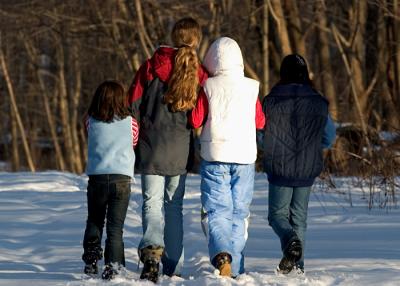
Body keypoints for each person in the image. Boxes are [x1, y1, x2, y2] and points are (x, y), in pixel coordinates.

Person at [128, 17, 208, 283]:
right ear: (196, 40)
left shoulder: (150, 68)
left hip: (151, 148)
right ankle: (173, 265)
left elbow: (133, 106)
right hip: (180, 150)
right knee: (174, 207)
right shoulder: (199, 73)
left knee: (151, 203)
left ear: (174, 37)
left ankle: (152, 255)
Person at [189, 37, 265, 278]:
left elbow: (196, 119)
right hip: (244, 158)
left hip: (215, 156)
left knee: (217, 210)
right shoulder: (251, 88)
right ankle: (237, 266)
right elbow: (261, 121)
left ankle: (223, 255)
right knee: (239, 212)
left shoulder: (208, 87)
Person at [262, 54, 336, 274]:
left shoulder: (271, 100)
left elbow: (261, 135)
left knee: (277, 216)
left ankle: (291, 243)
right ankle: (297, 266)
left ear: (283, 74)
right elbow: (329, 137)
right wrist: (313, 147)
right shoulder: (318, 102)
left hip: (280, 167)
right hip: (306, 168)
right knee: (299, 218)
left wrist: (270, 147)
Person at [82, 80, 139, 280]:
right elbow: (133, 142)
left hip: (97, 178)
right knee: (115, 228)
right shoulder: (131, 122)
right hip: (121, 179)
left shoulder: (90, 121)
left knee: (95, 220)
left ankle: (91, 258)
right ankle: (113, 266)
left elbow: (89, 136)